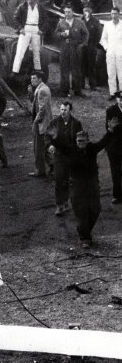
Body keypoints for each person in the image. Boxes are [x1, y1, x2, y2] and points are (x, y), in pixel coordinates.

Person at [47, 120, 119, 248]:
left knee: (96, 209)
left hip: (92, 183)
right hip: (77, 184)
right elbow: (60, 145)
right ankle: (85, 238)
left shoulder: (91, 148)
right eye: (78, 141)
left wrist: (110, 131)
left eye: (83, 141)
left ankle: (84, 231)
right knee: (80, 211)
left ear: (87, 141)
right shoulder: (71, 150)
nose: (81, 143)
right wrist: (54, 137)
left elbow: (103, 142)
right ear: (76, 141)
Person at [45, 101, 82, 215]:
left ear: (69, 110)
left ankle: (67, 203)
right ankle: (59, 204)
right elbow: (47, 136)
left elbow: (80, 139)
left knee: (69, 180)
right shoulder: (54, 122)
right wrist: (49, 145)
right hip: (59, 155)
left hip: (71, 156)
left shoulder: (76, 123)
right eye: (61, 109)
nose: (63, 112)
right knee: (59, 180)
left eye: (65, 110)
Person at [55, 3, 89, 97]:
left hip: (75, 48)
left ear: (72, 12)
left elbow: (86, 34)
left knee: (76, 70)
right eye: (65, 12)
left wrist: (82, 45)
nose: (67, 14)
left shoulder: (79, 22)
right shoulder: (61, 22)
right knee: (64, 69)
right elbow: (56, 33)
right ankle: (64, 90)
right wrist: (61, 34)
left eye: (69, 12)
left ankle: (77, 90)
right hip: (65, 48)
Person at [12, 0, 48, 75]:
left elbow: (46, 20)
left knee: (36, 50)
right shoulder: (22, 6)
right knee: (20, 50)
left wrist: (42, 30)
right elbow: (15, 18)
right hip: (25, 28)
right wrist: (20, 28)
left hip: (36, 29)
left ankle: (38, 69)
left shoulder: (40, 7)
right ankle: (15, 70)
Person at [27, 71, 53, 178]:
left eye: (34, 78)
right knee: (45, 146)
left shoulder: (42, 90)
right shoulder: (41, 88)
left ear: (40, 79)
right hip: (45, 123)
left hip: (42, 123)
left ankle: (41, 171)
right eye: (31, 78)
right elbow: (35, 102)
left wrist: (36, 121)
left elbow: (42, 110)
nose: (32, 80)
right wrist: (30, 93)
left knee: (38, 148)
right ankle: (52, 166)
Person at [100, 7, 122, 100]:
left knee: (121, 74)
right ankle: (113, 93)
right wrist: (106, 48)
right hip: (110, 53)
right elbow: (103, 39)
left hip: (120, 53)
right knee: (111, 73)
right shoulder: (107, 25)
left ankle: (121, 93)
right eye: (112, 14)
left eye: (115, 14)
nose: (113, 16)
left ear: (119, 14)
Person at [105, 91, 122, 204]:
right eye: (120, 99)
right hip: (115, 146)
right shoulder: (111, 111)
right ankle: (117, 195)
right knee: (115, 171)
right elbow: (108, 129)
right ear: (117, 99)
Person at [81, 3, 102, 91]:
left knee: (91, 66)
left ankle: (92, 85)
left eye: (88, 10)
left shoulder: (95, 21)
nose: (86, 11)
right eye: (85, 9)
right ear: (83, 10)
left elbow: (98, 34)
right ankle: (81, 84)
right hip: (82, 46)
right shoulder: (80, 20)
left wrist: (94, 44)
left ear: (91, 11)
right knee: (82, 66)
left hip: (91, 46)